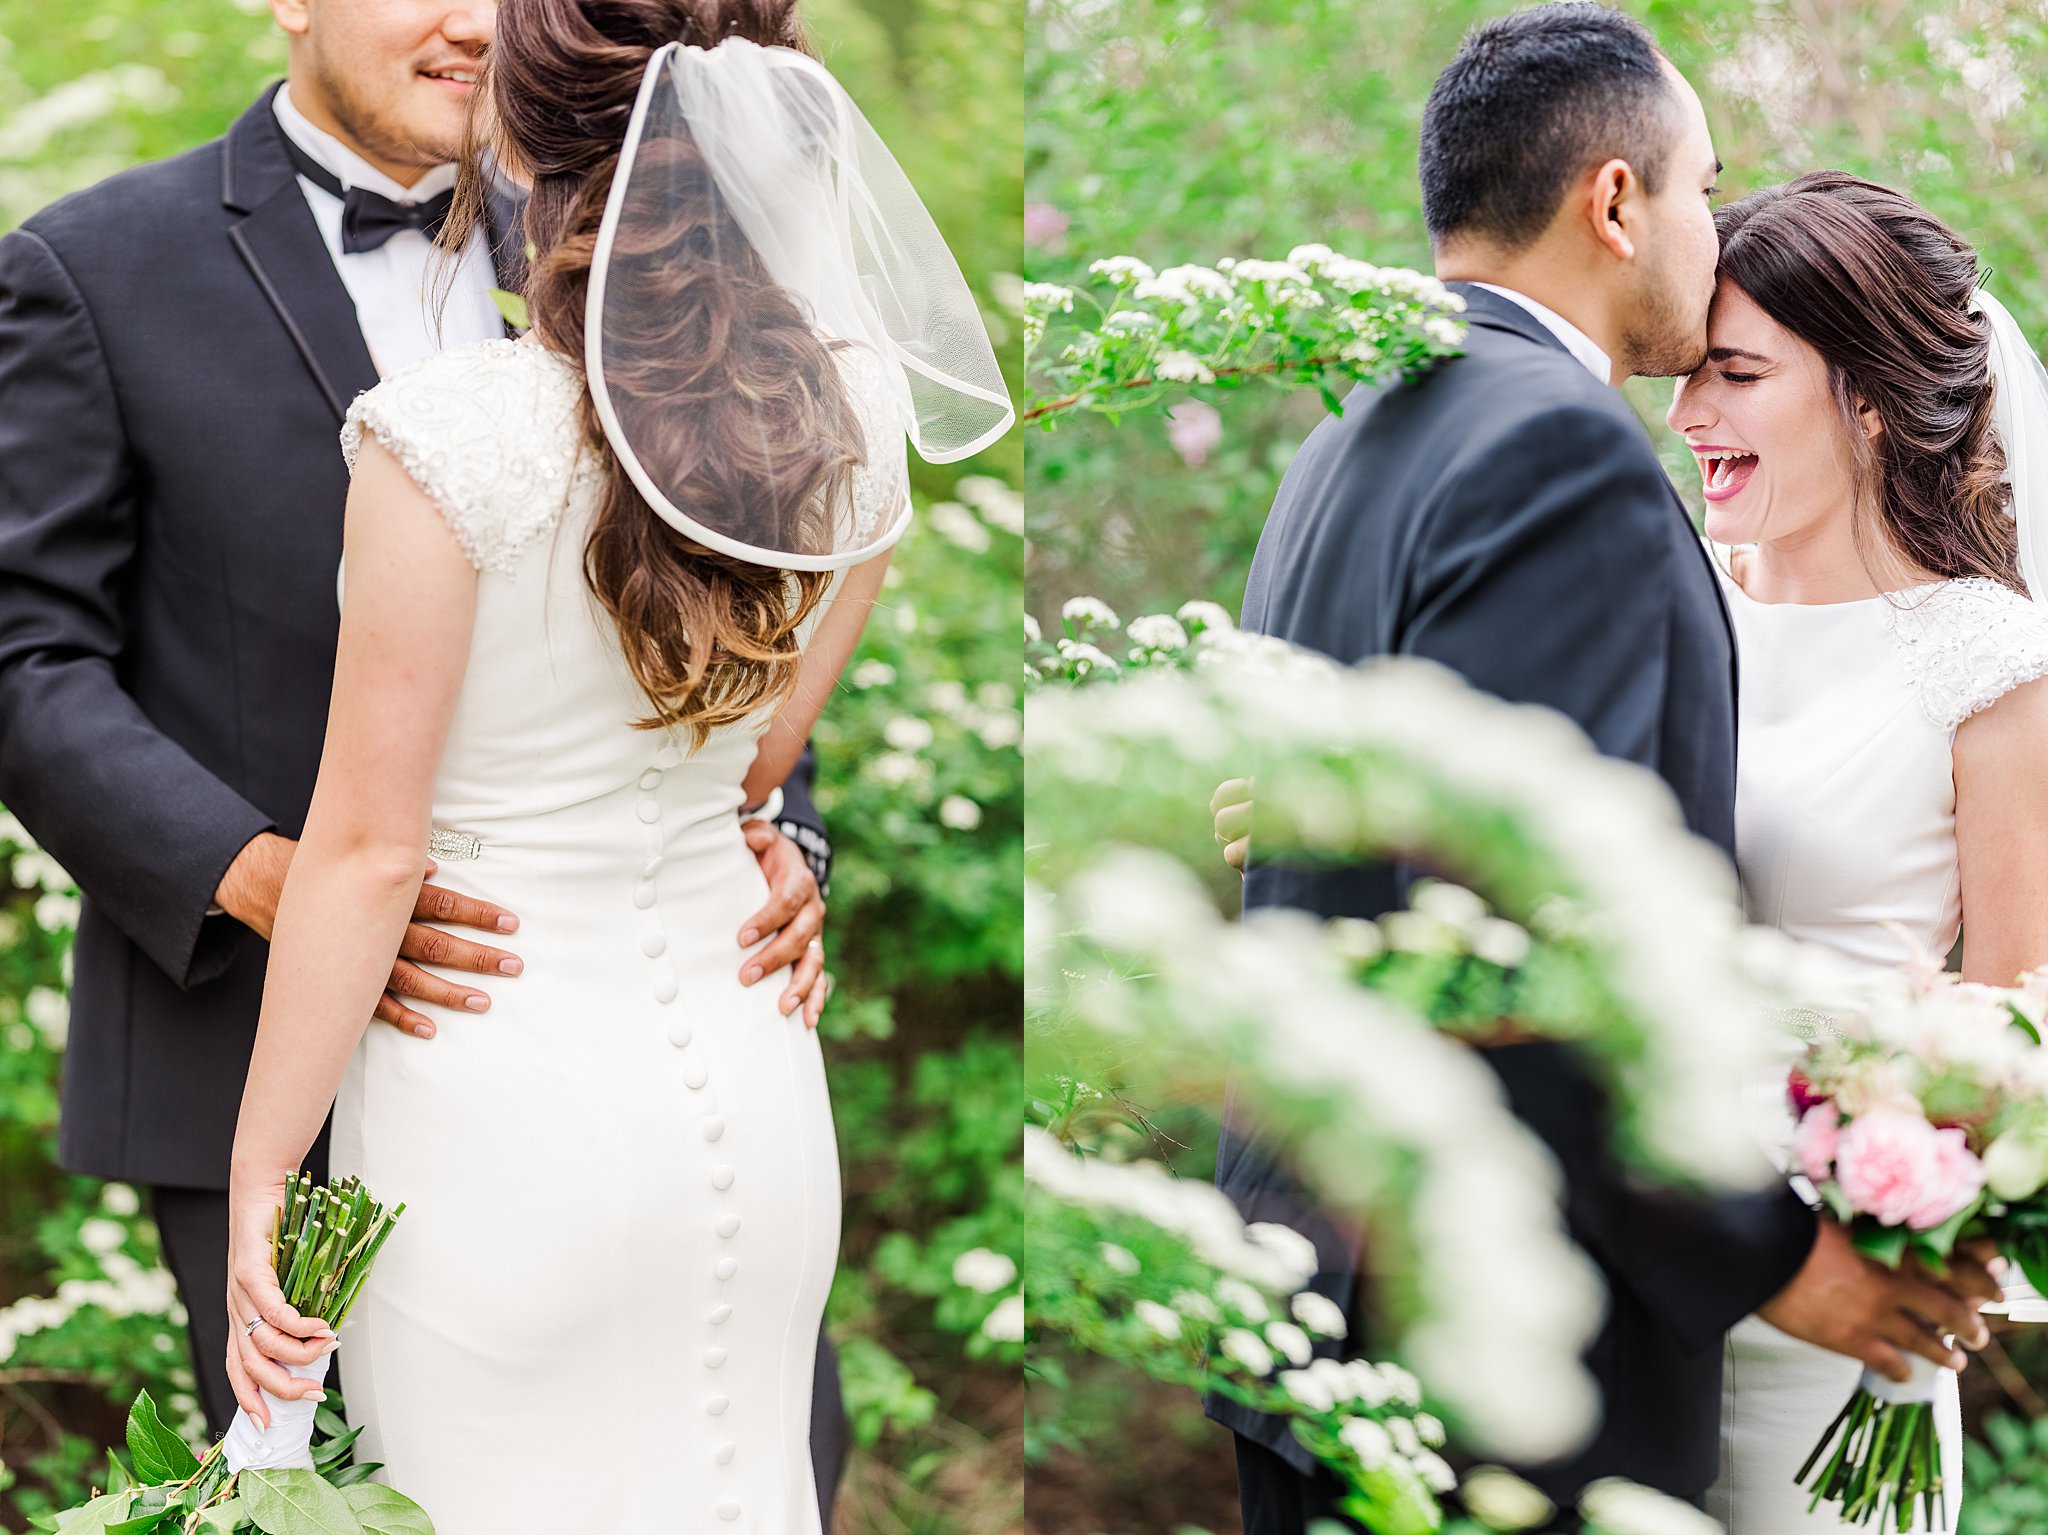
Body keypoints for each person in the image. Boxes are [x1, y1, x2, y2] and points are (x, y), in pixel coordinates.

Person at [0, 0, 844, 1512]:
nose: (473, 20)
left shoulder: (641, 228)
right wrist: (273, 881)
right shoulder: (88, 269)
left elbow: (726, 618)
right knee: (344, 1496)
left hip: (664, 1036)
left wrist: (782, 839)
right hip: (247, 1030)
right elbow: (23, 661)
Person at [214, 0, 1011, 1528]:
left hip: (493, 1106)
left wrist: (265, 1182)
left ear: (520, 135)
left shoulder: (445, 438)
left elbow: (369, 853)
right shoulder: (847, 422)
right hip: (753, 1078)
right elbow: (760, 764)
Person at [1202, 7, 1999, 1527]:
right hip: (1496, 1345)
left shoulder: (1348, 431)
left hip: (1310, 1302)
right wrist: (1767, 1262)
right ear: (1617, 201)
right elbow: (1540, 949)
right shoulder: (1559, 454)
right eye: (1704, 189)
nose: (1710, 236)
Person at [1668, 171, 2048, 1532]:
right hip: (1640, 1264)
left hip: (1846, 1294)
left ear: (1867, 396)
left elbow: (2018, 1012)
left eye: (1734, 375)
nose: (1686, 415)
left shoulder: (1985, 661)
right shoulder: (1668, 597)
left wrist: (1921, 1196)